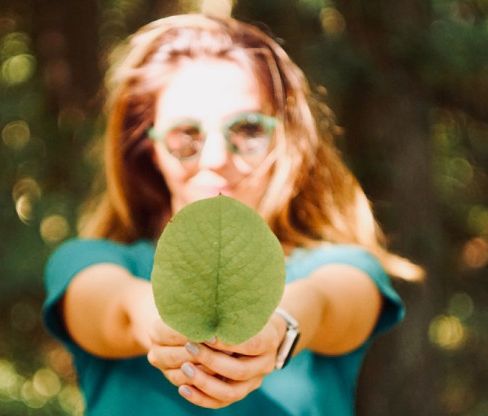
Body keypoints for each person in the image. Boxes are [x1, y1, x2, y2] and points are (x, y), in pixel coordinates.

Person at [42, 13, 422, 416]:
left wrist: (279, 328)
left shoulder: (341, 266)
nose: (217, 158)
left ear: (284, 137)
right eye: (185, 135)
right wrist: (161, 324)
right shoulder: (87, 262)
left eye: (247, 130)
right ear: (149, 149)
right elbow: (115, 308)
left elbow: (325, 304)